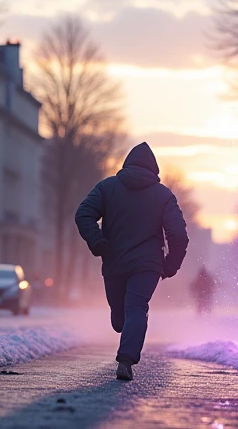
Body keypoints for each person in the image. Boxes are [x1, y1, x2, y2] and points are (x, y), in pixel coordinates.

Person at [75, 142, 189, 381]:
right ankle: (126, 353)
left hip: (115, 260)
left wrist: (98, 242)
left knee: (130, 310)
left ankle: (125, 360)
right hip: (148, 264)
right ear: (154, 169)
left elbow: (83, 214)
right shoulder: (163, 195)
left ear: (126, 164)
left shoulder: (108, 187)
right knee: (129, 313)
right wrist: (170, 264)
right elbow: (178, 234)